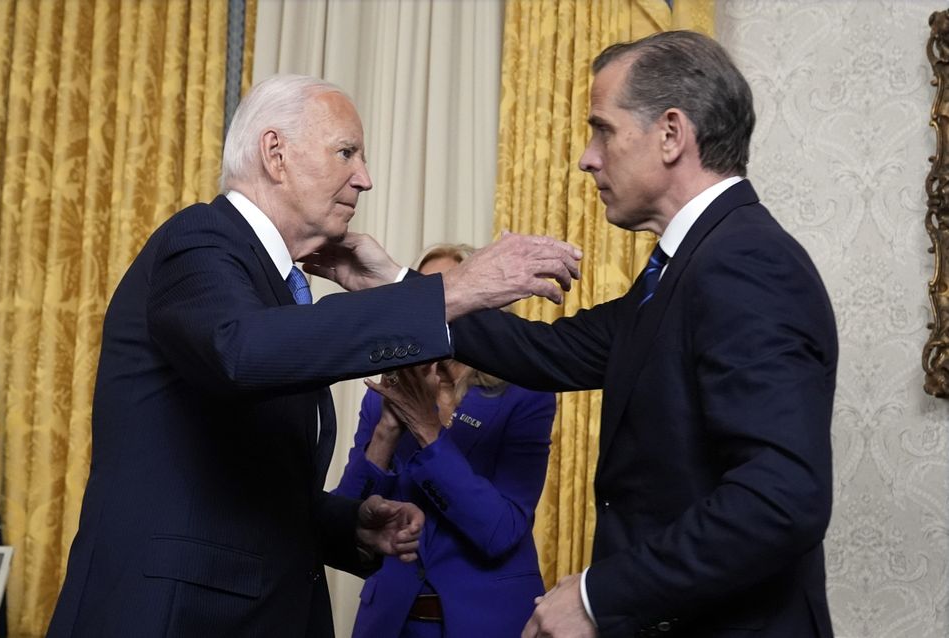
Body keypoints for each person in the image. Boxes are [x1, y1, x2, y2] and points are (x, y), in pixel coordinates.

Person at [319, 31, 838, 638]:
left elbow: (781, 499)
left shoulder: (746, 262)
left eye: (603, 129)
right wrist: (395, 282)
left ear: (672, 134)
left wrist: (598, 595)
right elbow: (548, 351)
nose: (588, 157)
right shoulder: (688, 265)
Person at [45, 75, 581, 638]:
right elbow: (241, 353)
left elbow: (239, 484)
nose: (365, 179)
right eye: (346, 153)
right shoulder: (200, 240)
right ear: (275, 154)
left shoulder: (272, 285)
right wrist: (453, 292)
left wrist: (346, 526)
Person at [334, 244, 557, 638]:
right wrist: (387, 429)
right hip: (390, 621)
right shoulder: (385, 392)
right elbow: (346, 522)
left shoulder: (525, 394)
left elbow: (500, 530)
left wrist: (426, 428)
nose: (428, 311)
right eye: (418, 298)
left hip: (489, 620)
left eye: (442, 295)